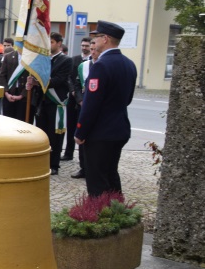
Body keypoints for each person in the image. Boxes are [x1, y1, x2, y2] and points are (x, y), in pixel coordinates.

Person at [75, 21, 137, 196]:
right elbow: (128, 99)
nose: (94, 41)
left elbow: (91, 105)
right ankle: (118, 214)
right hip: (119, 128)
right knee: (111, 174)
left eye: (97, 37)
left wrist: (80, 132)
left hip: (100, 132)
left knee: (97, 179)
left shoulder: (101, 65)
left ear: (106, 39)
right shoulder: (129, 63)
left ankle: (101, 217)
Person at [26, 32, 71, 175]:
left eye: (51, 42)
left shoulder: (65, 61)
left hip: (55, 102)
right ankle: (42, 162)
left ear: (59, 43)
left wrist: (37, 82)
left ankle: (54, 164)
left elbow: (59, 80)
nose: (48, 45)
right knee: (42, 134)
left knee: (55, 135)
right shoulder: (43, 59)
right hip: (42, 102)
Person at [62, 37, 92, 162]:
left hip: (85, 99)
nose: (84, 47)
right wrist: (73, 90)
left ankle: (83, 158)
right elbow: (69, 77)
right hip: (73, 98)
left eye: (87, 45)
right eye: (83, 45)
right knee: (70, 126)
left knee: (82, 127)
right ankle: (68, 152)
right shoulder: (74, 60)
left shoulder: (93, 61)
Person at [0, 38, 27, 120]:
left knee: (22, 120)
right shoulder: (8, 56)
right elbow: (2, 75)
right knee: (8, 120)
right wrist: (6, 93)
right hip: (9, 92)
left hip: (23, 95)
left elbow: (31, 78)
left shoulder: (30, 59)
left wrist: (22, 95)